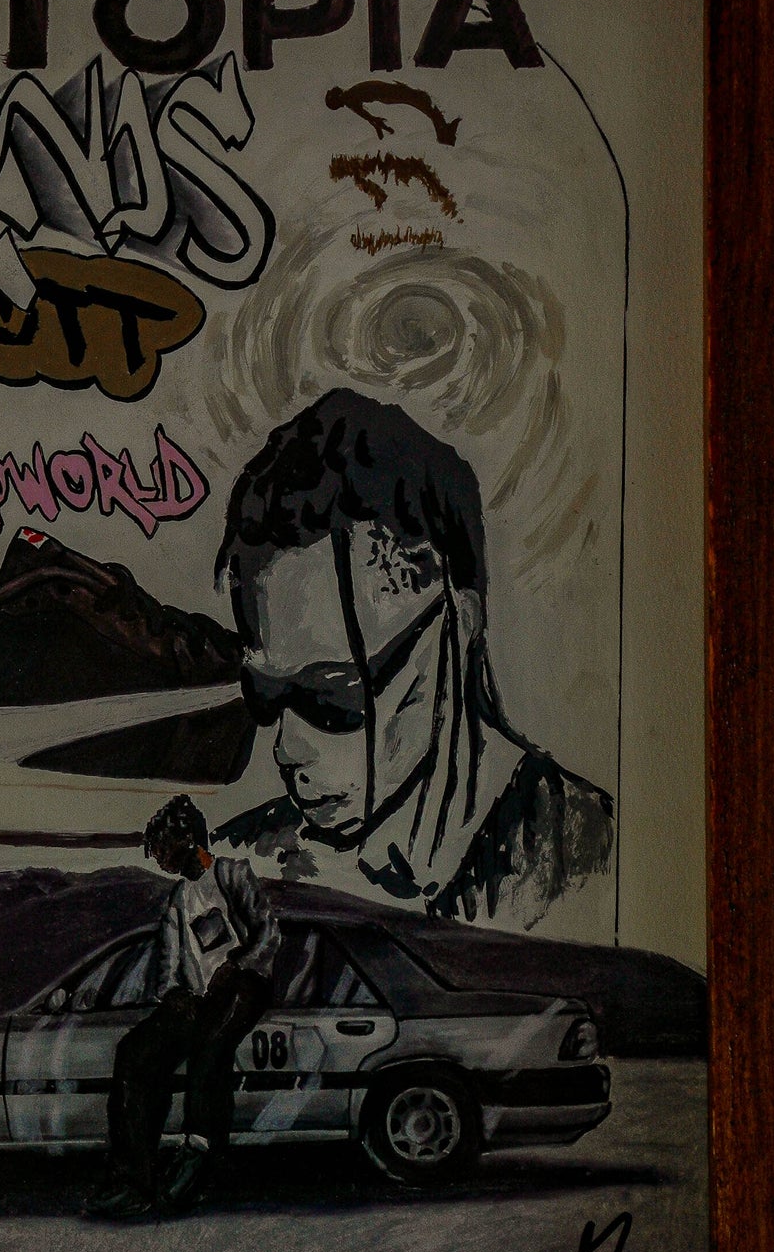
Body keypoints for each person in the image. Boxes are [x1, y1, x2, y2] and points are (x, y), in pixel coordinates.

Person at [214, 389, 614, 926]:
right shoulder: (245, 863)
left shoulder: (581, 857)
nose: (287, 748)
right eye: (264, 695)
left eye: (332, 698)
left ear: (460, 625)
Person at [92, 794, 280, 1220]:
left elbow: (268, 935)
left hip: (243, 987)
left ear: (188, 839)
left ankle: (197, 1157)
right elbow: (168, 965)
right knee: (134, 1052)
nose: (157, 857)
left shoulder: (232, 874)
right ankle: (133, 1178)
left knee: (210, 1050)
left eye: (162, 847)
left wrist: (237, 966)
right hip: (197, 998)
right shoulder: (178, 899)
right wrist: (173, 994)